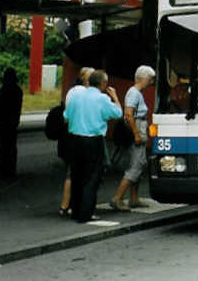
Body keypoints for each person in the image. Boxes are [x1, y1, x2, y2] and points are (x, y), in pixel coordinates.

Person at [64, 70, 122, 222]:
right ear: (103, 84)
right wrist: (115, 97)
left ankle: (75, 210)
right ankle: (86, 213)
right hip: (93, 140)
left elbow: (66, 116)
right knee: (91, 178)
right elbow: (117, 113)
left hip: (74, 139)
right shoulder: (102, 99)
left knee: (77, 176)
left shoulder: (76, 96)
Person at [110, 65, 155, 211]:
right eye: (150, 78)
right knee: (136, 165)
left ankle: (134, 198)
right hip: (137, 128)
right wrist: (136, 133)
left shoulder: (136, 93)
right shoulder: (134, 93)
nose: (151, 82)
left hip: (139, 127)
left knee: (139, 164)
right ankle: (117, 198)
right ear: (143, 78)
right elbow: (128, 114)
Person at [58, 66, 93, 217]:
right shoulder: (85, 93)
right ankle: (76, 206)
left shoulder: (72, 91)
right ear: (87, 79)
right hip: (83, 135)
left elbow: (67, 116)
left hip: (69, 134)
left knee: (71, 173)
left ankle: (65, 206)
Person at [0, 67, 23, 179]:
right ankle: (10, 170)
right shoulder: (18, 91)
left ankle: (3, 170)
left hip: (2, 123)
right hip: (11, 124)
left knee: (2, 148)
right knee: (10, 148)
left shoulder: (4, 90)